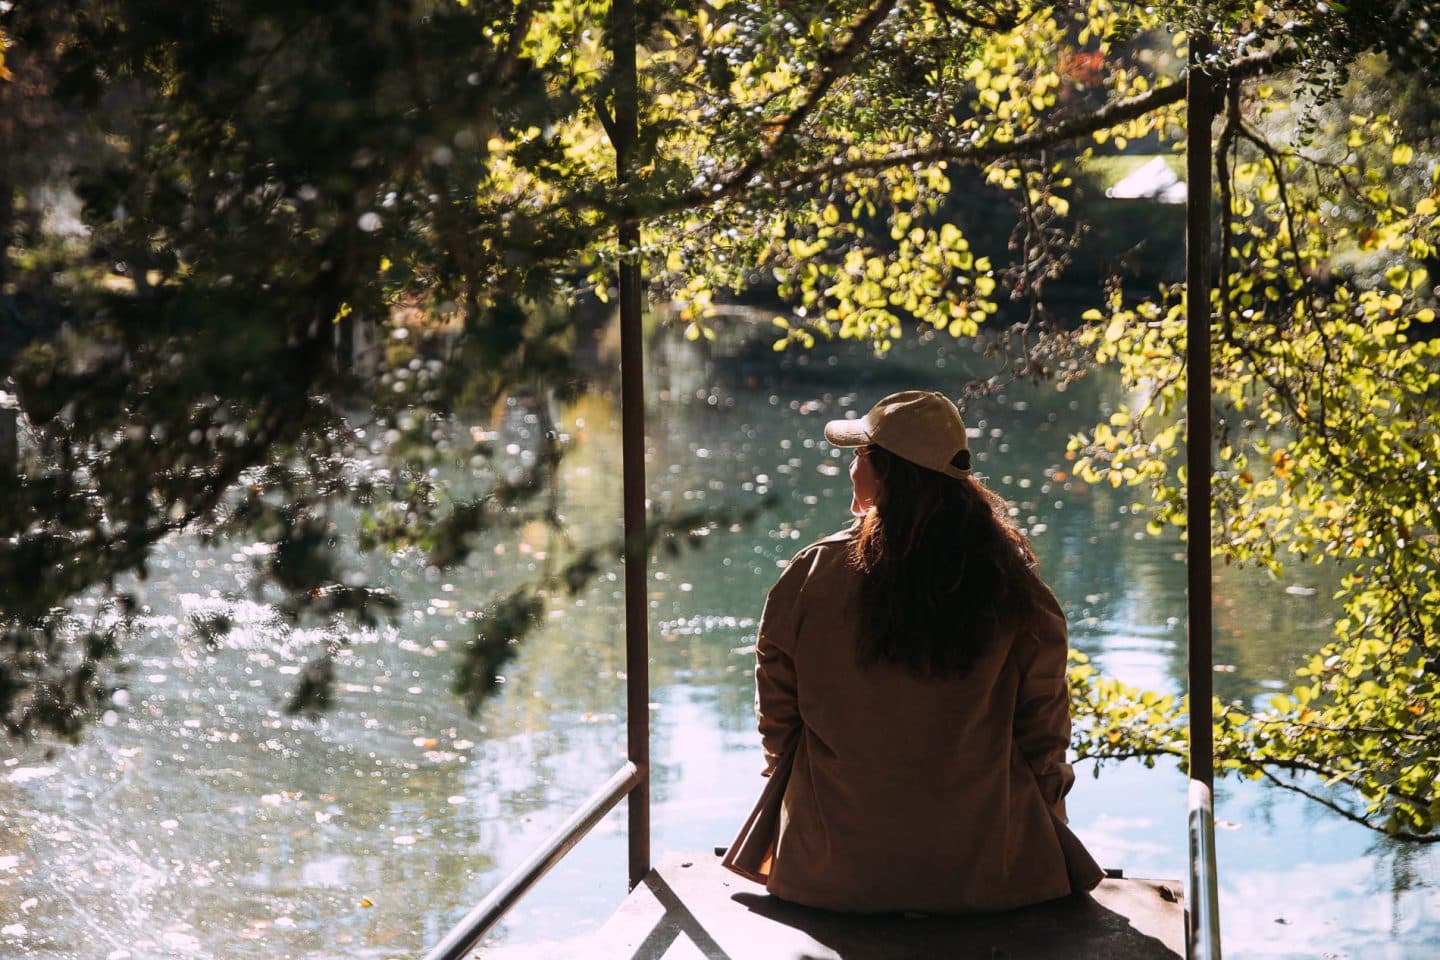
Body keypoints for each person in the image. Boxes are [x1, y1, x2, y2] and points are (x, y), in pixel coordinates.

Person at [753, 390, 1102, 914]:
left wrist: (795, 807)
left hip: (832, 871)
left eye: (859, 455)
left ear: (884, 470)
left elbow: (778, 719)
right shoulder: (1014, 588)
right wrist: (1045, 826)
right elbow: (1044, 735)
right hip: (989, 876)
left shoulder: (812, 575)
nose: (852, 467)